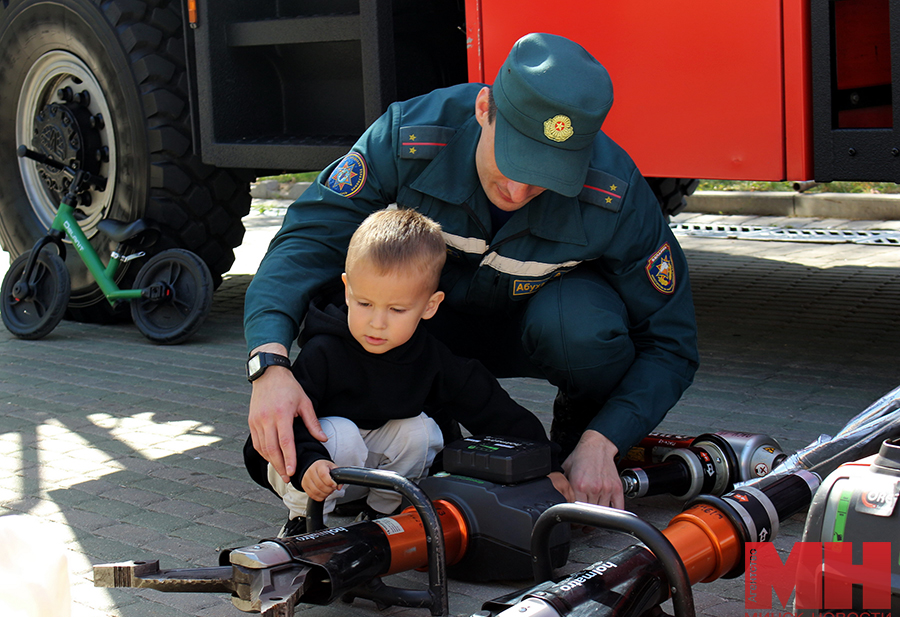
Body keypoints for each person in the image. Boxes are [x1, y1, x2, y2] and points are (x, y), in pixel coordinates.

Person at [245, 33, 699, 510]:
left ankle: (573, 447)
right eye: (515, 159)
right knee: (369, 294)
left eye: (547, 173)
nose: (520, 189)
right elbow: (308, 241)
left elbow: (670, 343)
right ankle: (390, 442)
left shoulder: (614, 192)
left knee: (585, 324)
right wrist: (269, 364)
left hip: (533, 332)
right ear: (484, 108)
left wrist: (604, 439)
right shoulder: (411, 136)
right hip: (417, 331)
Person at [244, 208, 570, 535]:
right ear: (347, 289)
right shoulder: (324, 350)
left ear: (430, 306)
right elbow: (290, 423)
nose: (377, 322)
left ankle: (381, 518)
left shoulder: (430, 356)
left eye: (397, 310)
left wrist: (546, 466)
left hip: (365, 477)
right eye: (364, 303)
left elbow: (493, 408)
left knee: (420, 431)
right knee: (341, 433)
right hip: (306, 470)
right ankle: (303, 525)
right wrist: (309, 464)